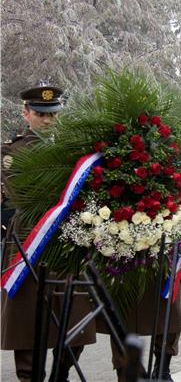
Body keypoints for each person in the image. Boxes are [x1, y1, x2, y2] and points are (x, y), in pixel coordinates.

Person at [1, 84, 97, 381]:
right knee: (27, 321)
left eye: (53, 114)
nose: (47, 120)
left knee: (77, 318)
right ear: (26, 114)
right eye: (41, 114)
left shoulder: (74, 151)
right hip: (30, 238)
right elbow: (24, 194)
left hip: (68, 240)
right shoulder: (11, 152)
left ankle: (60, 373)